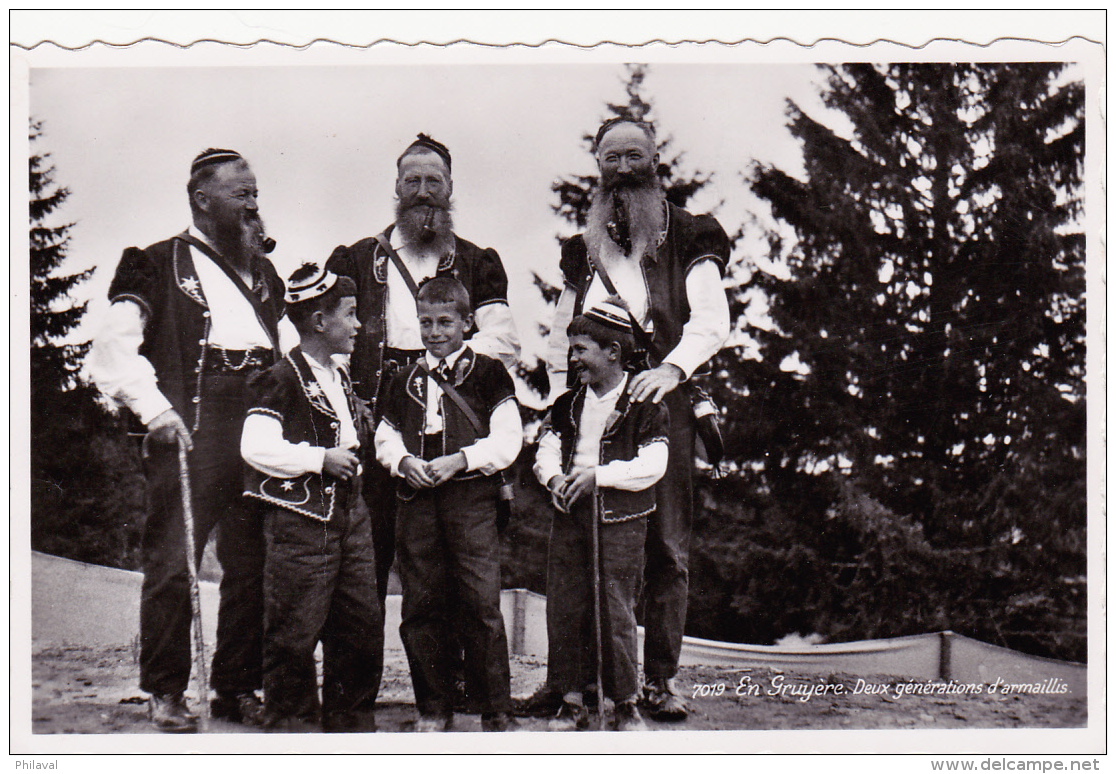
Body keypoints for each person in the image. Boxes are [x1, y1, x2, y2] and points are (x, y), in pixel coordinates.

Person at [521, 117, 731, 722]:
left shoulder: (689, 234)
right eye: (610, 157)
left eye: (633, 155)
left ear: (655, 159)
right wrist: (561, 402)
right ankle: (571, 683)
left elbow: (711, 319)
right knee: (575, 541)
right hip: (591, 405)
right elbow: (567, 326)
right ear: (597, 164)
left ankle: (660, 681)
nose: (622, 167)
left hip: (659, 405)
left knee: (665, 548)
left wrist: (673, 371)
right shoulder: (583, 245)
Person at [89, 148, 285, 732]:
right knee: (175, 561)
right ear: (202, 199)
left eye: (255, 193)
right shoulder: (151, 263)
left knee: (254, 563)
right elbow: (112, 348)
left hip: (258, 420)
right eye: (240, 195)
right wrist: (155, 412)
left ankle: (234, 688)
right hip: (193, 422)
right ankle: (167, 691)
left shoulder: (265, 271)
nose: (253, 204)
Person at [325, 133, 520, 614]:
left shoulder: (478, 262)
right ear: (396, 187)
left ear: (450, 188)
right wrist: (349, 401)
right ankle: (356, 685)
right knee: (363, 557)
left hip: (446, 431)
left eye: (434, 181)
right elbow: (329, 342)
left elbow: (503, 342)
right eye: (412, 180)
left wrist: (433, 373)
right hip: (372, 424)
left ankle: (450, 684)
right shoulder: (352, 259)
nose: (423, 191)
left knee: (448, 562)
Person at [240, 263, 384, 732]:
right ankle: (292, 730)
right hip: (301, 521)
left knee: (360, 627)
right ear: (320, 322)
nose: (360, 325)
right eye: (350, 314)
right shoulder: (279, 378)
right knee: (294, 633)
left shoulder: (338, 375)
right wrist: (319, 459)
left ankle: (351, 726)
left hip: (351, 515)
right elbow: (255, 447)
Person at [374, 276, 521, 732]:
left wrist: (462, 459)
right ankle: (433, 708)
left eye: (445, 322)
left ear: (467, 322)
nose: (435, 332)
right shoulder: (402, 379)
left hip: (471, 498)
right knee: (421, 603)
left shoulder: (489, 372)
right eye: (425, 323)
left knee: (480, 601)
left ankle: (495, 710)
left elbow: (508, 438)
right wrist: (401, 462)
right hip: (418, 500)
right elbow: (384, 434)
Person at [534, 300, 669, 733]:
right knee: (566, 605)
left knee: (616, 608)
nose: (573, 360)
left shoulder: (644, 403)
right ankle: (571, 700)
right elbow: (546, 450)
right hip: (571, 514)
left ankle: (625, 702)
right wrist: (555, 479)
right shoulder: (568, 404)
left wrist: (600, 477)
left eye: (581, 350)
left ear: (613, 352)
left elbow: (655, 464)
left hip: (621, 519)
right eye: (571, 351)